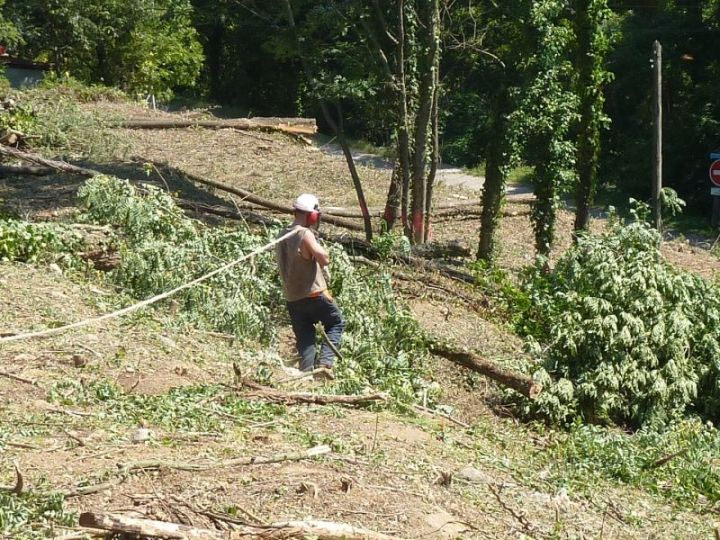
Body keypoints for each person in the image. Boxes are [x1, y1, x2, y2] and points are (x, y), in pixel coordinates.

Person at [276, 193, 345, 374]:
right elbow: (324, 258)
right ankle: (325, 364)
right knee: (336, 323)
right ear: (312, 215)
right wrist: (322, 254)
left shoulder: (282, 233)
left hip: (293, 298)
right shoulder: (304, 233)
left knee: (305, 338)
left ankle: (306, 373)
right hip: (314, 293)